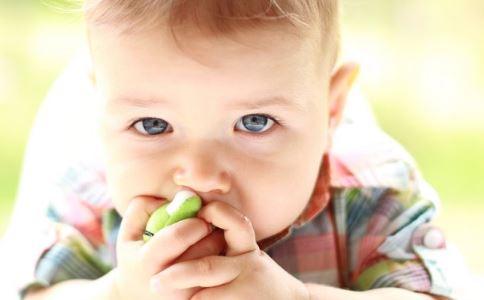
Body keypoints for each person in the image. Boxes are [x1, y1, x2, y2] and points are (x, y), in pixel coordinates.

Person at [2, 0, 464, 299]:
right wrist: (119, 292)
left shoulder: (371, 192)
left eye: (255, 122)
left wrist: (296, 298)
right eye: (152, 124)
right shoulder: (89, 194)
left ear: (331, 110)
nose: (199, 175)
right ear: (100, 109)